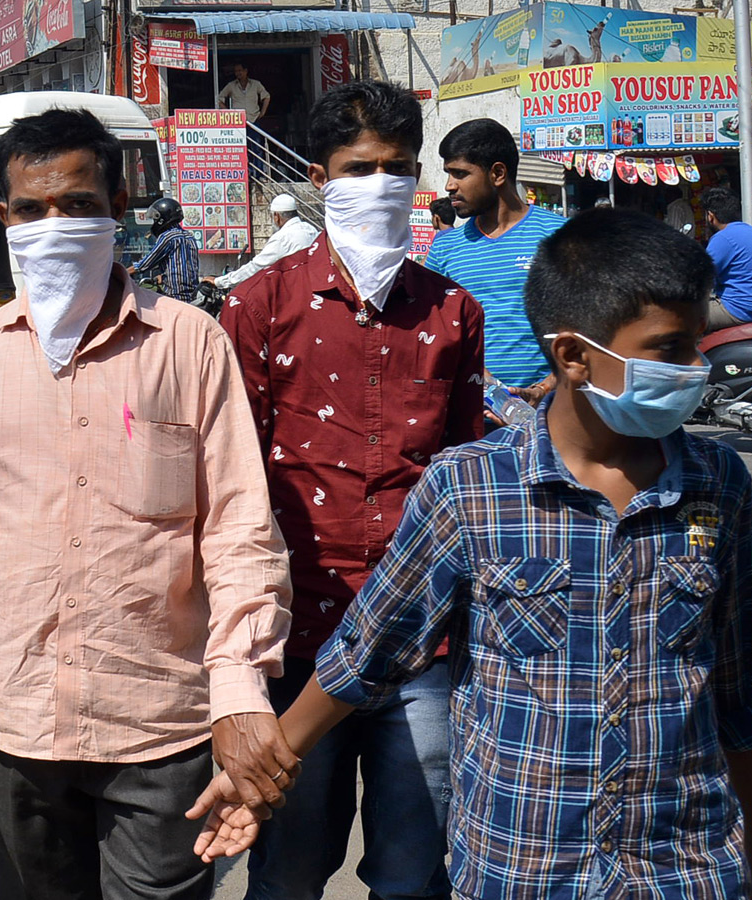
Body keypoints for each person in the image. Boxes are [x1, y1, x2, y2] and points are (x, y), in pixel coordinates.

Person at [193, 208, 752, 900]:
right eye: (670, 349)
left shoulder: (718, 484)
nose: (697, 369)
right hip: (524, 869)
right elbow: (368, 653)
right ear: (572, 355)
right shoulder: (471, 488)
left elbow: (740, 698)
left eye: (700, 343)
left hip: (682, 870)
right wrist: (262, 773)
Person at [0, 108, 295, 900]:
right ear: (5, 217)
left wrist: (239, 692)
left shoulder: (189, 345)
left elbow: (238, 537)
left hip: (164, 728)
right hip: (16, 728)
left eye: (78, 206)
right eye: (33, 209)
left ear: (117, 211)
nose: (55, 226)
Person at [220, 80, 485, 900]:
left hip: (419, 639)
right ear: (319, 176)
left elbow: (465, 472)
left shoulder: (452, 312)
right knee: (290, 865)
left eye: (398, 168)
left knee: (413, 870)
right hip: (296, 635)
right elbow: (231, 479)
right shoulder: (258, 305)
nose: (381, 184)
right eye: (360, 167)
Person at [426, 117, 566, 406]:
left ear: (498, 173)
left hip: (553, 413)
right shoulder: (444, 247)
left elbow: (589, 326)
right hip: (471, 414)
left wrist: (546, 388)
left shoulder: (559, 236)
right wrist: (478, 378)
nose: (449, 185)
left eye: (460, 174)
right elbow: (433, 331)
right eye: (448, 174)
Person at [701, 187, 752, 332]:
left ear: (710, 216)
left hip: (739, 310)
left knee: (678, 317)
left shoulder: (722, 238)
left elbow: (701, 275)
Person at [207, 194, 319, 292]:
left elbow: (256, 266)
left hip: (292, 292)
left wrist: (219, 282)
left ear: (277, 216)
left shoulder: (283, 237)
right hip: (311, 288)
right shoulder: (311, 230)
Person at [128, 196, 200, 304]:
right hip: (193, 297)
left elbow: (145, 264)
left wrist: (123, 272)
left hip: (175, 297)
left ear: (161, 220)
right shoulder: (189, 237)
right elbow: (185, 265)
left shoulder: (168, 237)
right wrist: (163, 276)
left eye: (154, 220)